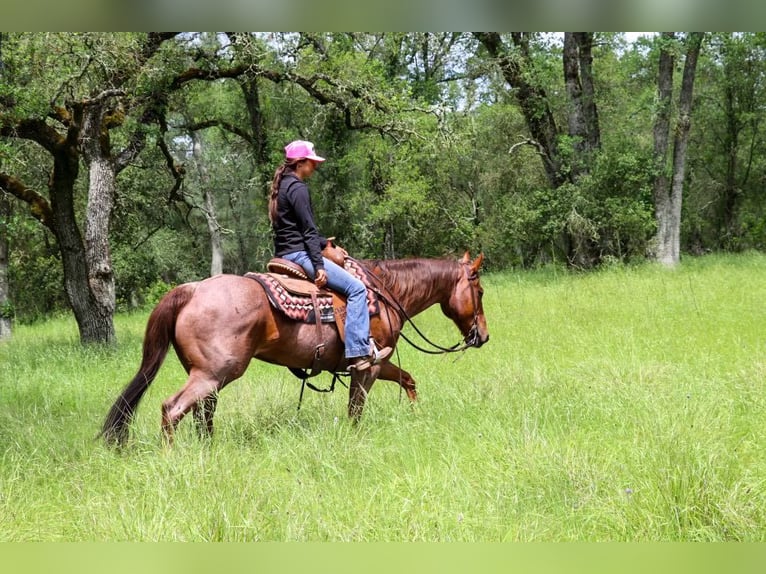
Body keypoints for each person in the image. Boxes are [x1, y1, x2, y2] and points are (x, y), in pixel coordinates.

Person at [268, 140, 392, 371]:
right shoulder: (298, 188)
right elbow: (307, 231)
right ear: (300, 162)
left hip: (284, 253)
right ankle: (358, 352)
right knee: (357, 289)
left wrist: (326, 243)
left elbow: (296, 228)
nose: (314, 167)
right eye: (312, 163)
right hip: (300, 255)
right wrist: (319, 266)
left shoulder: (282, 186)